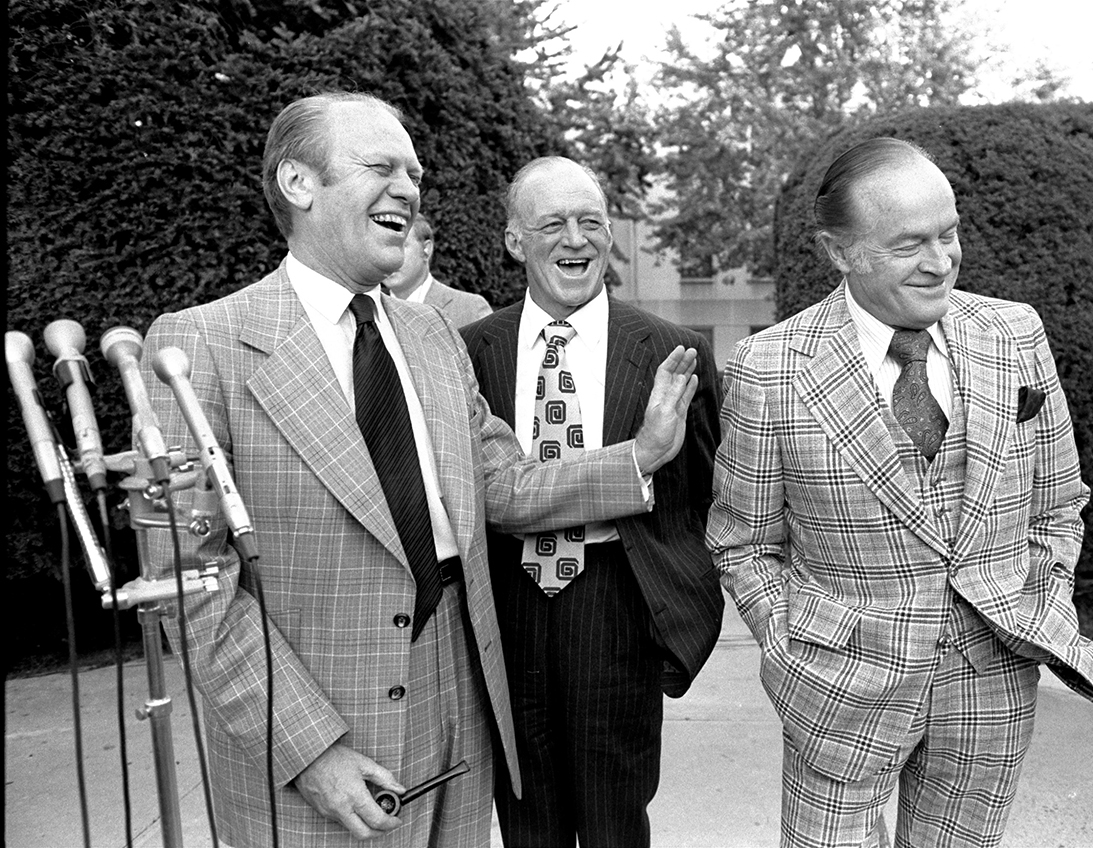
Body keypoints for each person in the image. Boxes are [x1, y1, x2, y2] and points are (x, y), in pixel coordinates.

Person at [139, 92, 699, 848]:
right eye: (381, 167)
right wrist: (310, 749)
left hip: (459, 708)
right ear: (298, 184)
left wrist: (640, 456)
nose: (407, 188)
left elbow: (501, 485)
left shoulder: (433, 333)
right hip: (316, 725)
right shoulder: (197, 346)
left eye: (414, 173)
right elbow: (189, 583)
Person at [705, 137, 1093, 848]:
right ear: (839, 252)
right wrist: (789, 647)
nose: (940, 261)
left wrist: (1041, 602)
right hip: (835, 686)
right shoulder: (768, 366)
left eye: (948, 233)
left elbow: (1057, 502)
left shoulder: (1014, 334)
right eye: (908, 245)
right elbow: (743, 542)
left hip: (992, 676)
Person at [459, 156, 724, 848]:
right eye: (552, 224)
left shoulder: (676, 353)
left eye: (591, 223)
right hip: (507, 607)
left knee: (615, 823)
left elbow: (704, 498)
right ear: (516, 241)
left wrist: (681, 609)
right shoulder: (467, 351)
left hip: (617, 607)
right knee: (525, 821)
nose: (575, 240)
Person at [382, 214, 493, 325]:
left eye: (400, 245)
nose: (389, 258)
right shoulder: (369, 310)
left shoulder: (471, 310)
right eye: (383, 247)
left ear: (426, 250)